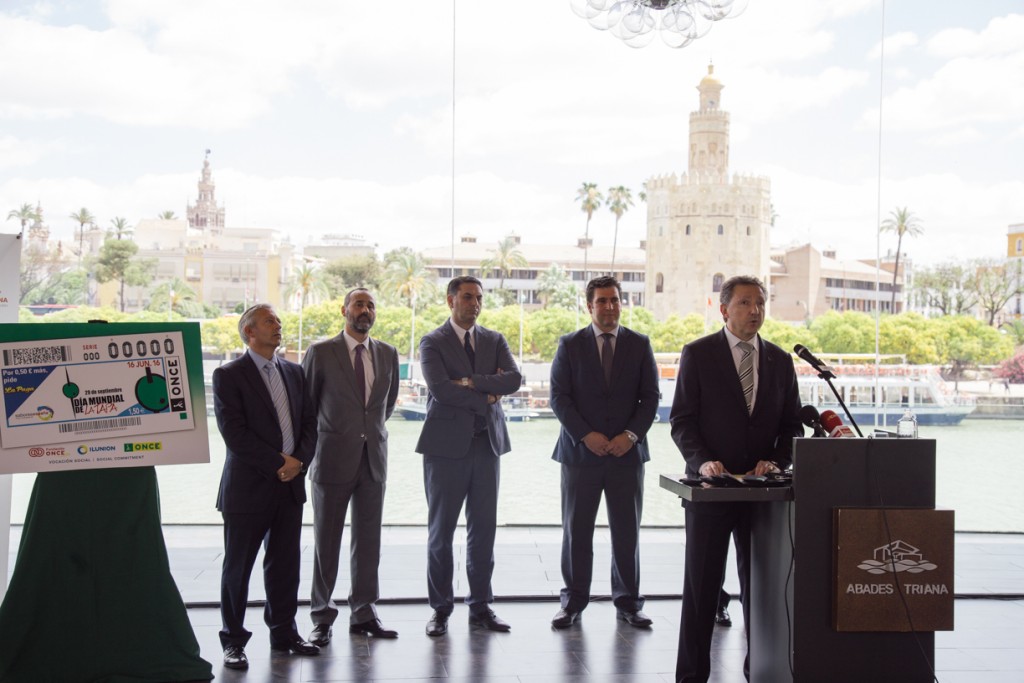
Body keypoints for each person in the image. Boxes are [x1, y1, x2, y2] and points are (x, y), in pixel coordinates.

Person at [669, 275, 803, 683]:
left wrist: (776, 462)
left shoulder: (781, 360)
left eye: (760, 303)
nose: (755, 311)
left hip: (763, 497)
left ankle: (759, 671)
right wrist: (703, 461)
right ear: (724, 309)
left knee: (762, 592)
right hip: (712, 490)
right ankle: (692, 676)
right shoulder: (698, 354)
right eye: (745, 303)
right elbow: (682, 422)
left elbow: (792, 426)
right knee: (701, 592)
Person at [548, 275, 659, 630]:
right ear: (589, 305)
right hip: (581, 456)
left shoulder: (640, 344)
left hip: (627, 455)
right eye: (602, 301)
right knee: (576, 532)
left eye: (614, 300)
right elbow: (559, 398)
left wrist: (630, 435)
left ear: (621, 303)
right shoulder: (569, 344)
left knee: (626, 533)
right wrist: (585, 435)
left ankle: (629, 603)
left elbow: (651, 398)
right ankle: (573, 602)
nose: (609, 307)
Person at [213, 303, 320, 670]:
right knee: (238, 568)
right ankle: (233, 641)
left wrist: (298, 463)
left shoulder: (294, 372)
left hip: (290, 486)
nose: (278, 326)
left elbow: (309, 423)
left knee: (285, 564)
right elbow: (235, 435)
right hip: (247, 489)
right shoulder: (229, 375)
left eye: (278, 320)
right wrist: (279, 464)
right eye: (269, 321)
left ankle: (284, 632)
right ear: (250, 332)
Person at [415, 276, 522, 636]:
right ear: (450, 300)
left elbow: (513, 380)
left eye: (478, 297)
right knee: (441, 533)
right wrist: (487, 392)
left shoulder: (494, 339)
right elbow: (442, 390)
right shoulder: (432, 341)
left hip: (487, 447)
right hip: (445, 449)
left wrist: (471, 381)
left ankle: (481, 607)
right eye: (466, 297)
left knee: (484, 532)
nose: (474, 303)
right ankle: (440, 609)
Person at [302, 288, 401, 644]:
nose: (365, 310)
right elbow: (307, 408)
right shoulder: (320, 352)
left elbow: (385, 406)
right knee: (326, 541)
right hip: (331, 459)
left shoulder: (388, 353)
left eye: (371, 305)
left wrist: (365, 433)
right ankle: (321, 616)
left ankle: (363, 612)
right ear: (344, 309)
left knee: (368, 540)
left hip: (373, 459)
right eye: (359, 304)